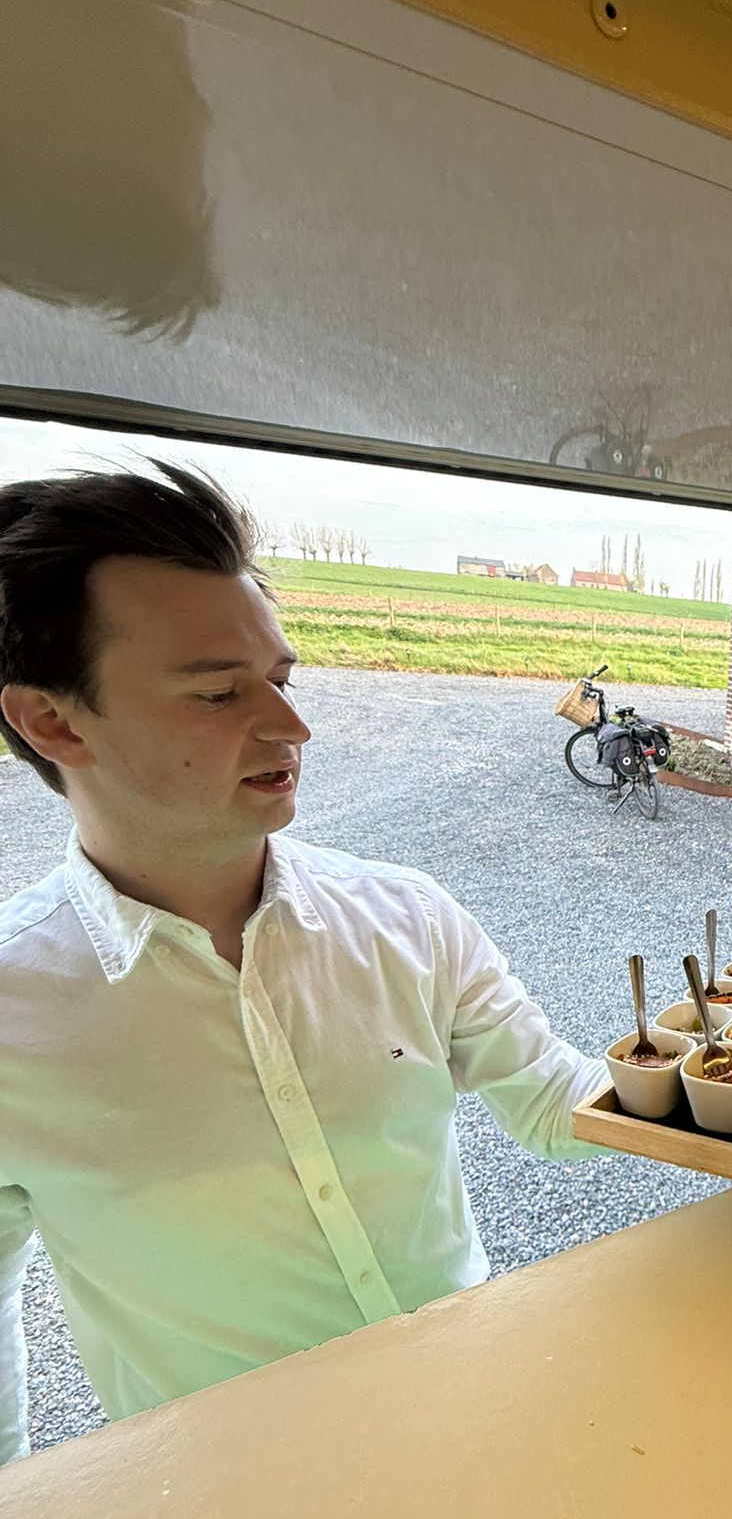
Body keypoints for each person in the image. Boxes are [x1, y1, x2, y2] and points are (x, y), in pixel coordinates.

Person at [0, 463, 607, 1462]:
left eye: (280, 679)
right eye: (217, 692)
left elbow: (554, 1102)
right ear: (52, 720)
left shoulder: (409, 917)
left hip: (473, 1428)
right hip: (224, 1502)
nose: (293, 727)